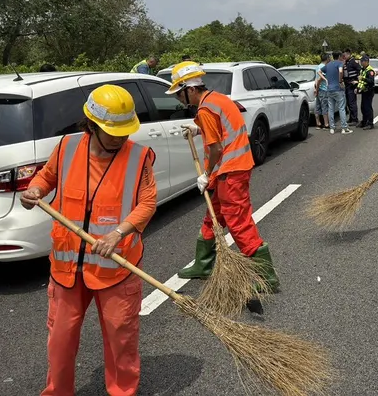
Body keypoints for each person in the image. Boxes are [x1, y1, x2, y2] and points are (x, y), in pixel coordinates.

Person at [19, 84, 158, 396]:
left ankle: (123, 391)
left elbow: (147, 203)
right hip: (67, 269)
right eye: (114, 132)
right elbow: (46, 177)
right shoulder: (67, 147)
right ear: (92, 126)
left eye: (125, 131)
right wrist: (36, 190)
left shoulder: (139, 157)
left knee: (121, 338)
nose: (121, 138)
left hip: (116, 268)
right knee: (60, 339)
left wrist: (119, 231)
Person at [169, 61, 280, 292]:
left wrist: (205, 175)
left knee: (238, 221)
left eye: (179, 93)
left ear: (190, 89)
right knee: (213, 216)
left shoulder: (205, 108)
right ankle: (204, 265)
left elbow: (217, 147)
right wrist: (197, 130)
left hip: (230, 171)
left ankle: (265, 276)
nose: (178, 99)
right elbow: (222, 127)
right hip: (230, 169)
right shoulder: (216, 99)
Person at [322, 51, 352, 135]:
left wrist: (326, 80)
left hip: (329, 89)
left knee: (330, 108)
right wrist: (340, 81)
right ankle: (344, 128)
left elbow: (319, 72)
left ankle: (332, 128)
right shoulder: (339, 63)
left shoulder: (328, 64)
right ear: (339, 56)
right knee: (341, 108)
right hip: (338, 89)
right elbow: (341, 71)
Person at [342, 48, 361, 125]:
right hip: (347, 84)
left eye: (345, 55)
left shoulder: (354, 62)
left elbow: (360, 71)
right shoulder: (346, 62)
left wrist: (357, 81)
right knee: (348, 103)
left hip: (352, 85)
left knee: (352, 102)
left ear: (349, 54)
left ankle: (354, 119)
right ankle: (351, 118)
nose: (344, 56)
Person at [357, 54, 376, 129]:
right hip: (364, 91)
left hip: (369, 91)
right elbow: (361, 82)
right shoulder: (363, 69)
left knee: (368, 107)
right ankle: (364, 121)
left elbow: (371, 81)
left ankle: (370, 123)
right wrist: (358, 88)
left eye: (362, 61)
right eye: (361, 61)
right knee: (363, 107)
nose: (361, 63)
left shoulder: (370, 71)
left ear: (366, 62)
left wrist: (363, 79)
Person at [315, 53, 331, 129]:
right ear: (327, 58)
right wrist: (317, 89)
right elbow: (320, 79)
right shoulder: (324, 67)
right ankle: (326, 124)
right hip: (323, 89)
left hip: (319, 89)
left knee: (317, 106)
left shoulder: (318, 66)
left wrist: (316, 89)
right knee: (324, 106)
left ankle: (318, 124)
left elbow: (316, 80)